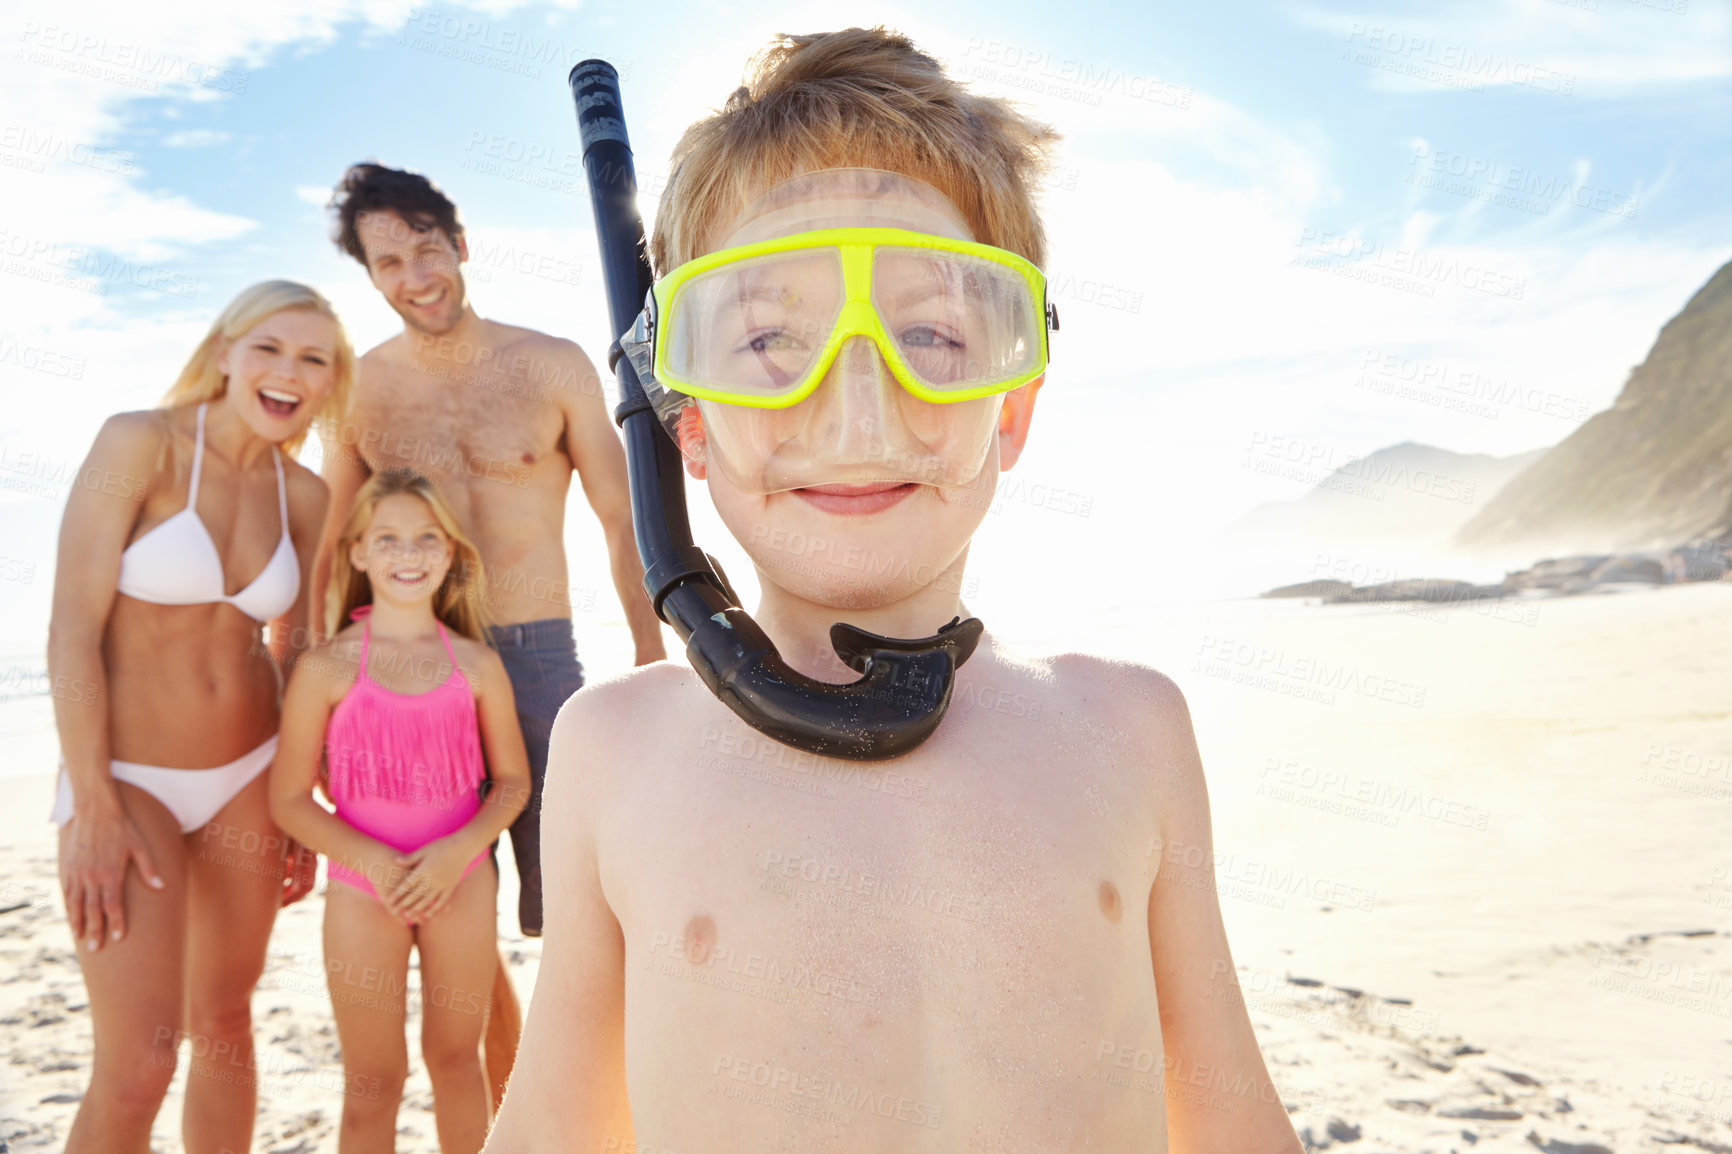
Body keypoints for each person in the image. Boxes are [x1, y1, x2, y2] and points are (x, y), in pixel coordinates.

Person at [484, 29, 1306, 1154]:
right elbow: (554, 1130)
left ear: (1009, 406)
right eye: (769, 337)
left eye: (928, 332)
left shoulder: (1128, 728)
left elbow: (1229, 1118)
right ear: (688, 422)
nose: (854, 411)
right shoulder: (614, 748)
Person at [314, 163, 667, 1102]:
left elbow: (619, 515)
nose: (414, 275)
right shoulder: (362, 393)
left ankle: (600, 1107)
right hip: (411, 674)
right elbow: (330, 547)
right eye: (389, 261)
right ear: (372, 277)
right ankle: (517, 1103)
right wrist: (301, 678)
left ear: (460, 246)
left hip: (539, 658)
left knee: (579, 916)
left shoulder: (549, 363)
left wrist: (650, 651)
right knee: (450, 904)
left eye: (427, 249)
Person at [46, 279, 348, 1153]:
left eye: (313, 358)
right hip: (126, 779)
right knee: (138, 1064)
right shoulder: (139, 443)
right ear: (224, 352)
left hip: (249, 776)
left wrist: (295, 799)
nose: (288, 372)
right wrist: (92, 805)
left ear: (332, 382)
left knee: (224, 1023)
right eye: (269, 348)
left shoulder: (309, 494)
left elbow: (296, 647)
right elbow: (71, 629)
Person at [271, 468, 531, 1153]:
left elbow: (511, 784)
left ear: (449, 553)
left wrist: (454, 854)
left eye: (425, 539)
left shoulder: (475, 663)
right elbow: (290, 798)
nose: (407, 555)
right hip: (362, 892)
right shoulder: (327, 667)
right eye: (386, 539)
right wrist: (375, 863)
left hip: (462, 881)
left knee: (455, 1059)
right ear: (357, 552)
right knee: (373, 1079)